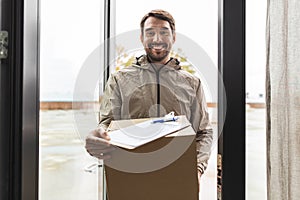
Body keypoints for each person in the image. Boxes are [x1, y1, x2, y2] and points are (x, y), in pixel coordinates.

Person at [85, 9, 213, 187]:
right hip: (132, 175)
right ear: (141, 38)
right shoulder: (119, 79)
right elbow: (107, 123)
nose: (157, 39)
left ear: (174, 37)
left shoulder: (192, 83)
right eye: (150, 32)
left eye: (164, 32)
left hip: (178, 176)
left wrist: (197, 169)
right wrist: (99, 137)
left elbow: (204, 132)